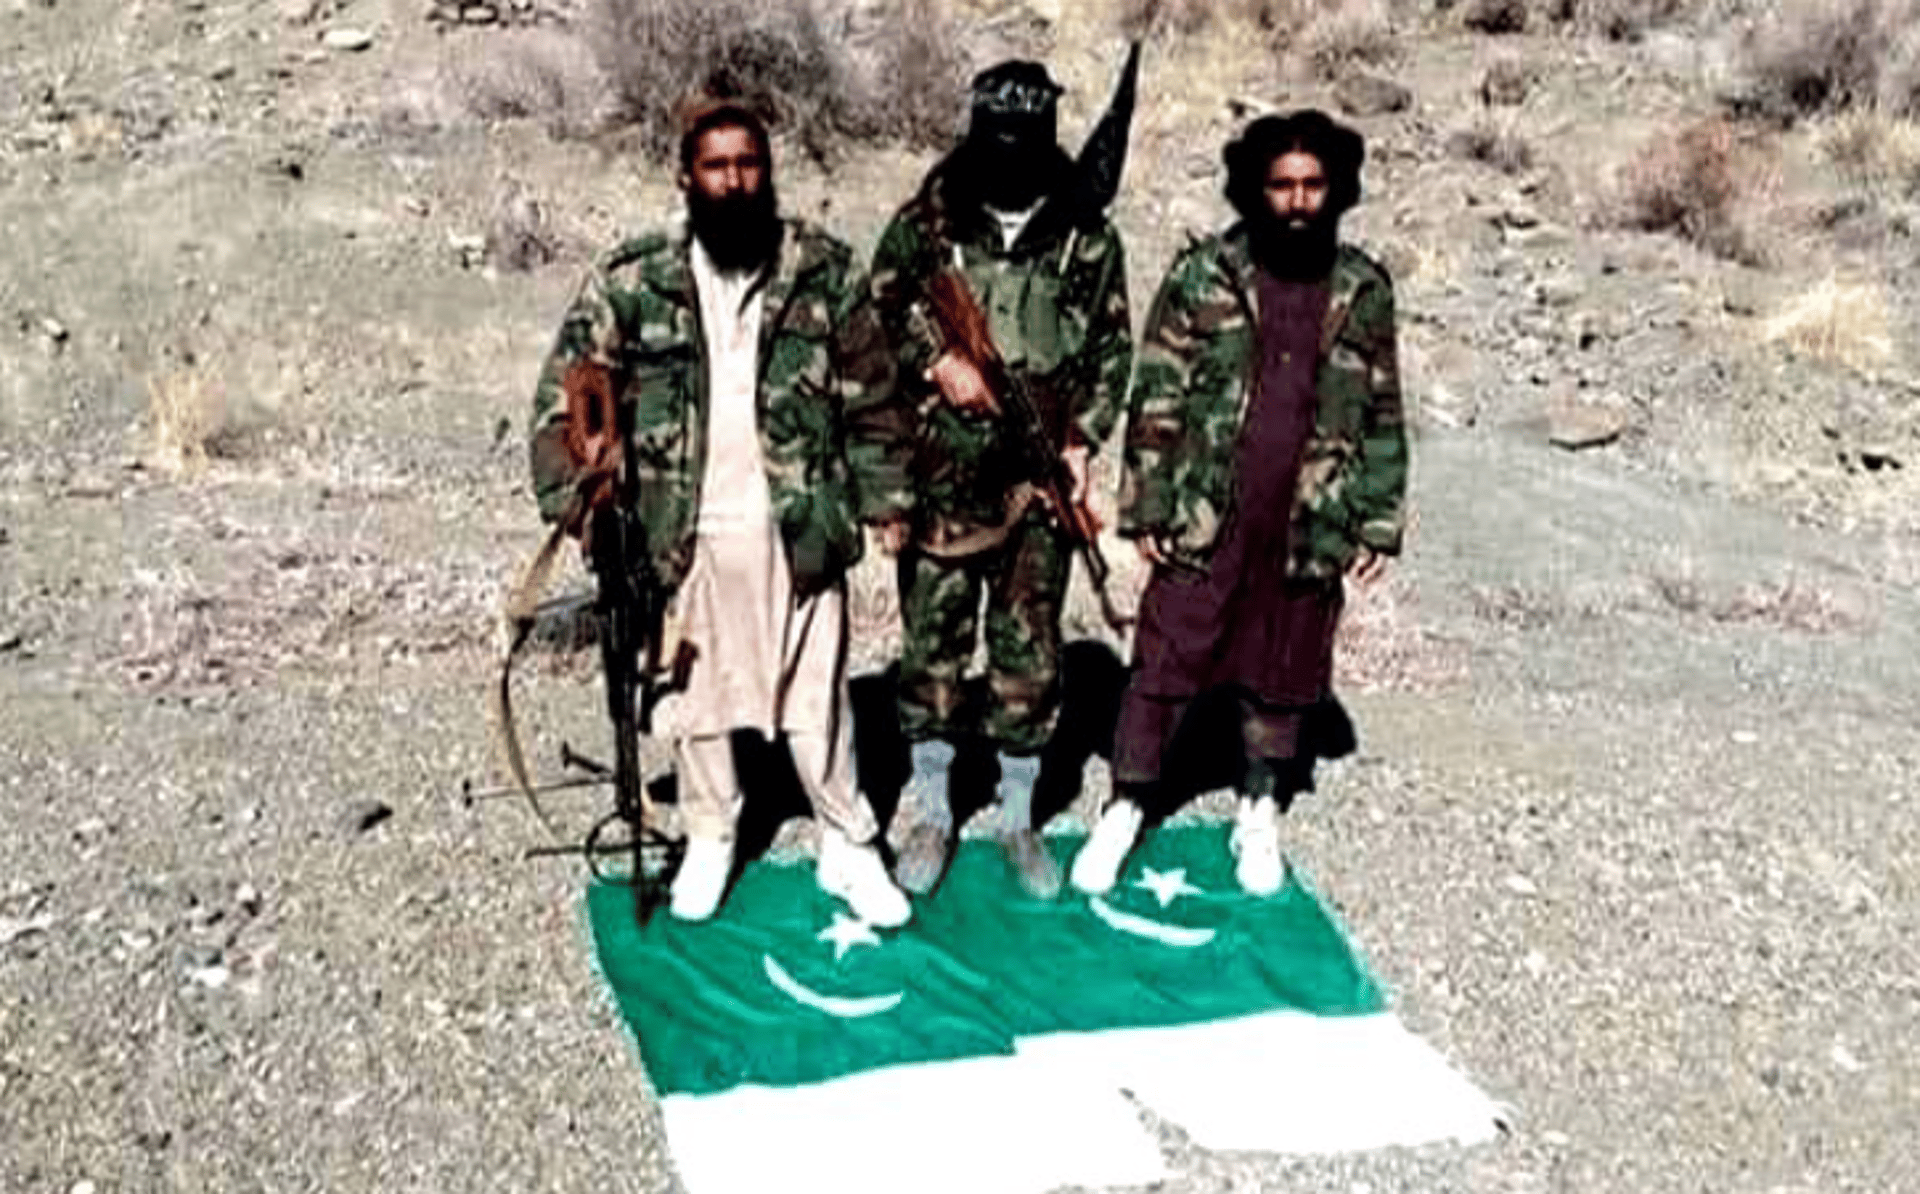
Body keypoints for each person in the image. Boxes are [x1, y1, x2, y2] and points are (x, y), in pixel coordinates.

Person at [526, 100, 911, 927]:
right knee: (696, 704)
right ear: (686, 176)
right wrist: (583, 504)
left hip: (799, 527)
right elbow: (564, 405)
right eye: (717, 166)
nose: (735, 181)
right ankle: (709, 836)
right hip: (683, 534)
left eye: (749, 164)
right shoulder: (635, 280)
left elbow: (874, 396)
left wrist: (886, 503)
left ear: (767, 171)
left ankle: (849, 844)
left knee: (818, 705)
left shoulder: (822, 270)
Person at [1069, 110, 1408, 897]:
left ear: (1336, 190)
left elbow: (1385, 407)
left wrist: (1379, 517)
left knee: (1282, 666)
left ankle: (1258, 806)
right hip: (1205, 512)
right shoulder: (1205, 276)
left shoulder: (1361, 289)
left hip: (1309, 518)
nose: (1296, 201)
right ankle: (1128, 804)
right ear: (1254, 190)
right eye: (1281, 185)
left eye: (1312, 185)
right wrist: (1147, 504)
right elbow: (1157, 394)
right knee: (1165, 659)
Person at [862, 61, 1133, 899]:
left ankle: (1017, 816)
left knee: (1030, 654)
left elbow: (1110, 350)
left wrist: (1084, 440)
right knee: (934, 650)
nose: (1008, 156)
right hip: (943, 480)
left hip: (1036, 487)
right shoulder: (930, 220)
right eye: (997, 139)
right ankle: (935, 811)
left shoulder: (1085, 232)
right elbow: (876, 311)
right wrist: (937, 359)